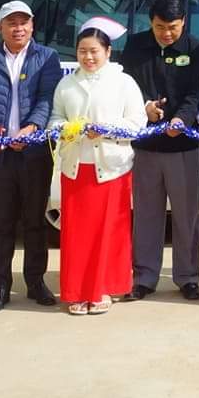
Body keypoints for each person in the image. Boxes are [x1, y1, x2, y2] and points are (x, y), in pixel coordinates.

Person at [0, 0, 63, 314]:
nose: (18, 28)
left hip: (34, 153)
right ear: (0, 28)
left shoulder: (47, 57)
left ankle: (36, 283)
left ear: (32, 26)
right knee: (2, 223)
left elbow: (47, 98)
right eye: (11, 23)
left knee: (35, 221)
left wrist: (32, 128)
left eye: (24, 22)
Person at [117, 0, 199, 302]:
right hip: (147, 145)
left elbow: (197, 93)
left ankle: (188, 277)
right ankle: (144, 277)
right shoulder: (135, 46)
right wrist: (145, 108)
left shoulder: (197, 49)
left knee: (186, 216)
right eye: (160, 27)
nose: (166, 33)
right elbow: (128, 88)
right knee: (146, 214)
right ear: (150, 23)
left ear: (183, 22)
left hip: (183, 145)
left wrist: (182, 119)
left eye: (173, 27)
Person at [51, 17, 144, 317]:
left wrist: (105, 128)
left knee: (109, 231)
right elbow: (54, 119)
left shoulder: (124, 82)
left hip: (112, 168)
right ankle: (77, 291)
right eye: (83, 51)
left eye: (94, 51)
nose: (88, 57)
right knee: (77, 234)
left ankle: (103, 287)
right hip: (76, 168)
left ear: (108, 52)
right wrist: (70, 128)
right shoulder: (67, 83)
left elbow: (137, 123)